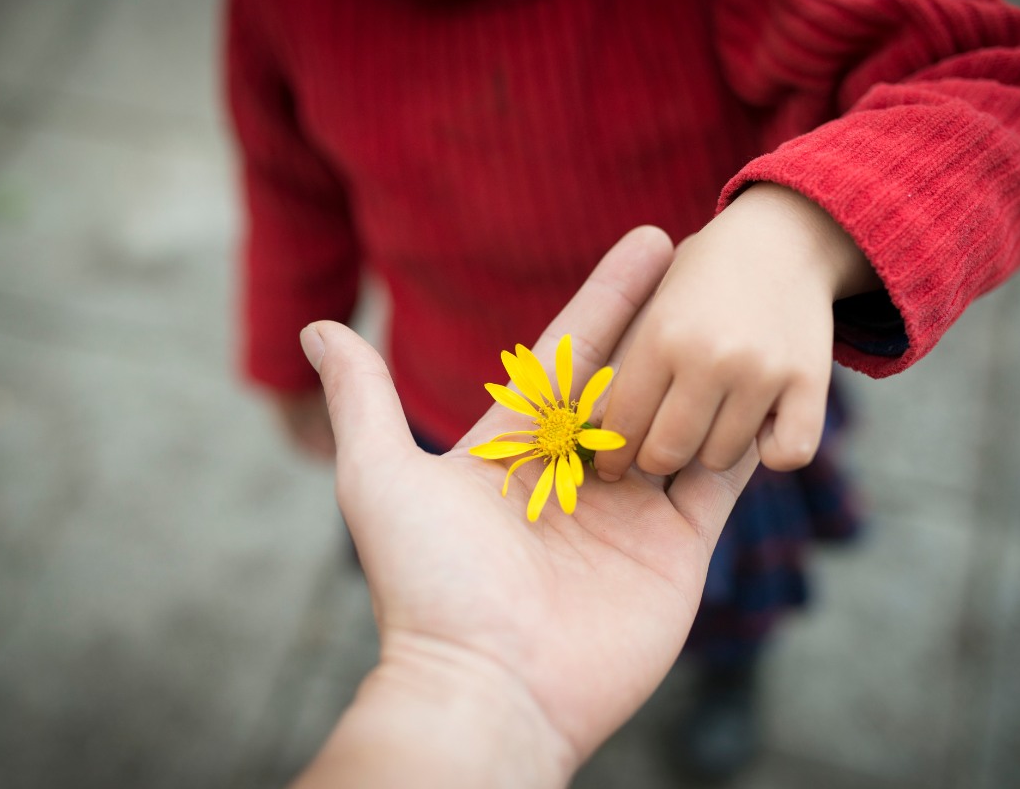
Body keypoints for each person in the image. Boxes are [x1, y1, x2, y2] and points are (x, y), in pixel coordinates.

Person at [224, 0, 1020, 778]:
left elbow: (1012, 85)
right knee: (452, 569)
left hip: (708, 427)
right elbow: (288, 183)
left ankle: (729, 671)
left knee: (720, 590)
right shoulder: (281, 7)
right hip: (459, 416)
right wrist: (286, 354)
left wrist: (801, 233)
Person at [290, 229, 761, 787]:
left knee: (738, 579)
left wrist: (790, 235)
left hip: (704, 350)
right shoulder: (527, 450)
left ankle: (731, 670)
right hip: (436, 381)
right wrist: (460, 671)